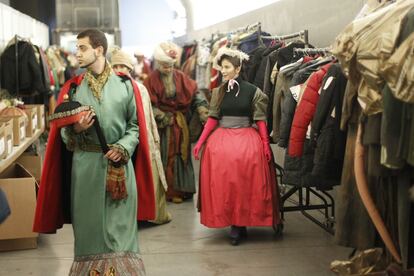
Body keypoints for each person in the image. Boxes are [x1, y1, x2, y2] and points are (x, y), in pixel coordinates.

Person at [33, 29, 155, 275]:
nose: (77, 53)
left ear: (99, 50)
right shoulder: (73, 89)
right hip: (85, 168)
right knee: (88, 232)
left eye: (82, 48)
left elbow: (134, 126)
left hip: (120, 168)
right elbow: (62, 133)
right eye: (77, 48)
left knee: (122, 232)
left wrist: (123, 147)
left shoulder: (126, 86)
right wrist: (77, 129)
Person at [193, 47, 280, 245]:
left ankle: (242, 220)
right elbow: (213, 119)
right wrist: (200, 141)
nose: (222, 71)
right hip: (222, 140)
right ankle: (233, 220)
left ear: (238, 68)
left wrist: (266, 144)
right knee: (226, 182)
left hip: (247, 139)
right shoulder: (218, 92)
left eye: (226, 67)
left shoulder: (253, 91)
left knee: (245, 181)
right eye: (221, 67)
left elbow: (260, 120)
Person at [111, 48, 172, 224]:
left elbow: (148, 118)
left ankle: (146, 214)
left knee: (143, 176)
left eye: (124, 66)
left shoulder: (140, 89)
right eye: (116, 66)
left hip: (140, 139)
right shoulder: (108, 89)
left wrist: (152, 140)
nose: (120, 69)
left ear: (130, 69)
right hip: (119, 140)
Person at [144, 42, 209, 203]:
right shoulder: (150, 80)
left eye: (170, 65)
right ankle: (167, 190)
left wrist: (202, 109)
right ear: (158, 63)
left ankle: (182, 189)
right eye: (164, 65)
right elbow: (147, 104)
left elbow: (195, 93)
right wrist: (162, 116)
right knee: (166, 155)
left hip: (180, 125)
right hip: (162, 127)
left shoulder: (181, 76)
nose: (167, 68)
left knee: (182, 154)